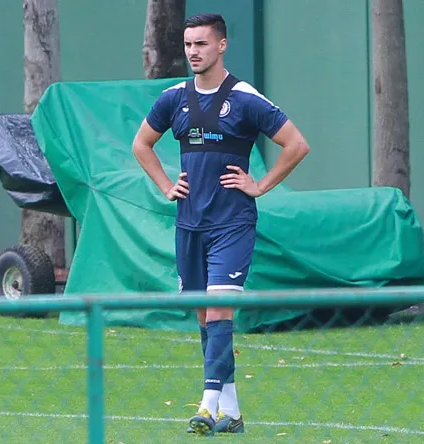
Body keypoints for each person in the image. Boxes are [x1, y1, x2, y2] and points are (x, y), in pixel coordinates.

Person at [131, 12, 310, 436]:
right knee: (202, 316)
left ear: (222, 45)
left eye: (202, 44)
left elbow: (296, 144)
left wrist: (261, 185)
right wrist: (164, 185)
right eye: (189, 44)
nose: (193, 51)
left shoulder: (245, 98)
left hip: (232, 223)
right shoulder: (173, 98)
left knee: (218, 310)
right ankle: (231, 410)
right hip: (189, 224)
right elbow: (141, 144)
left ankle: (207, 406)